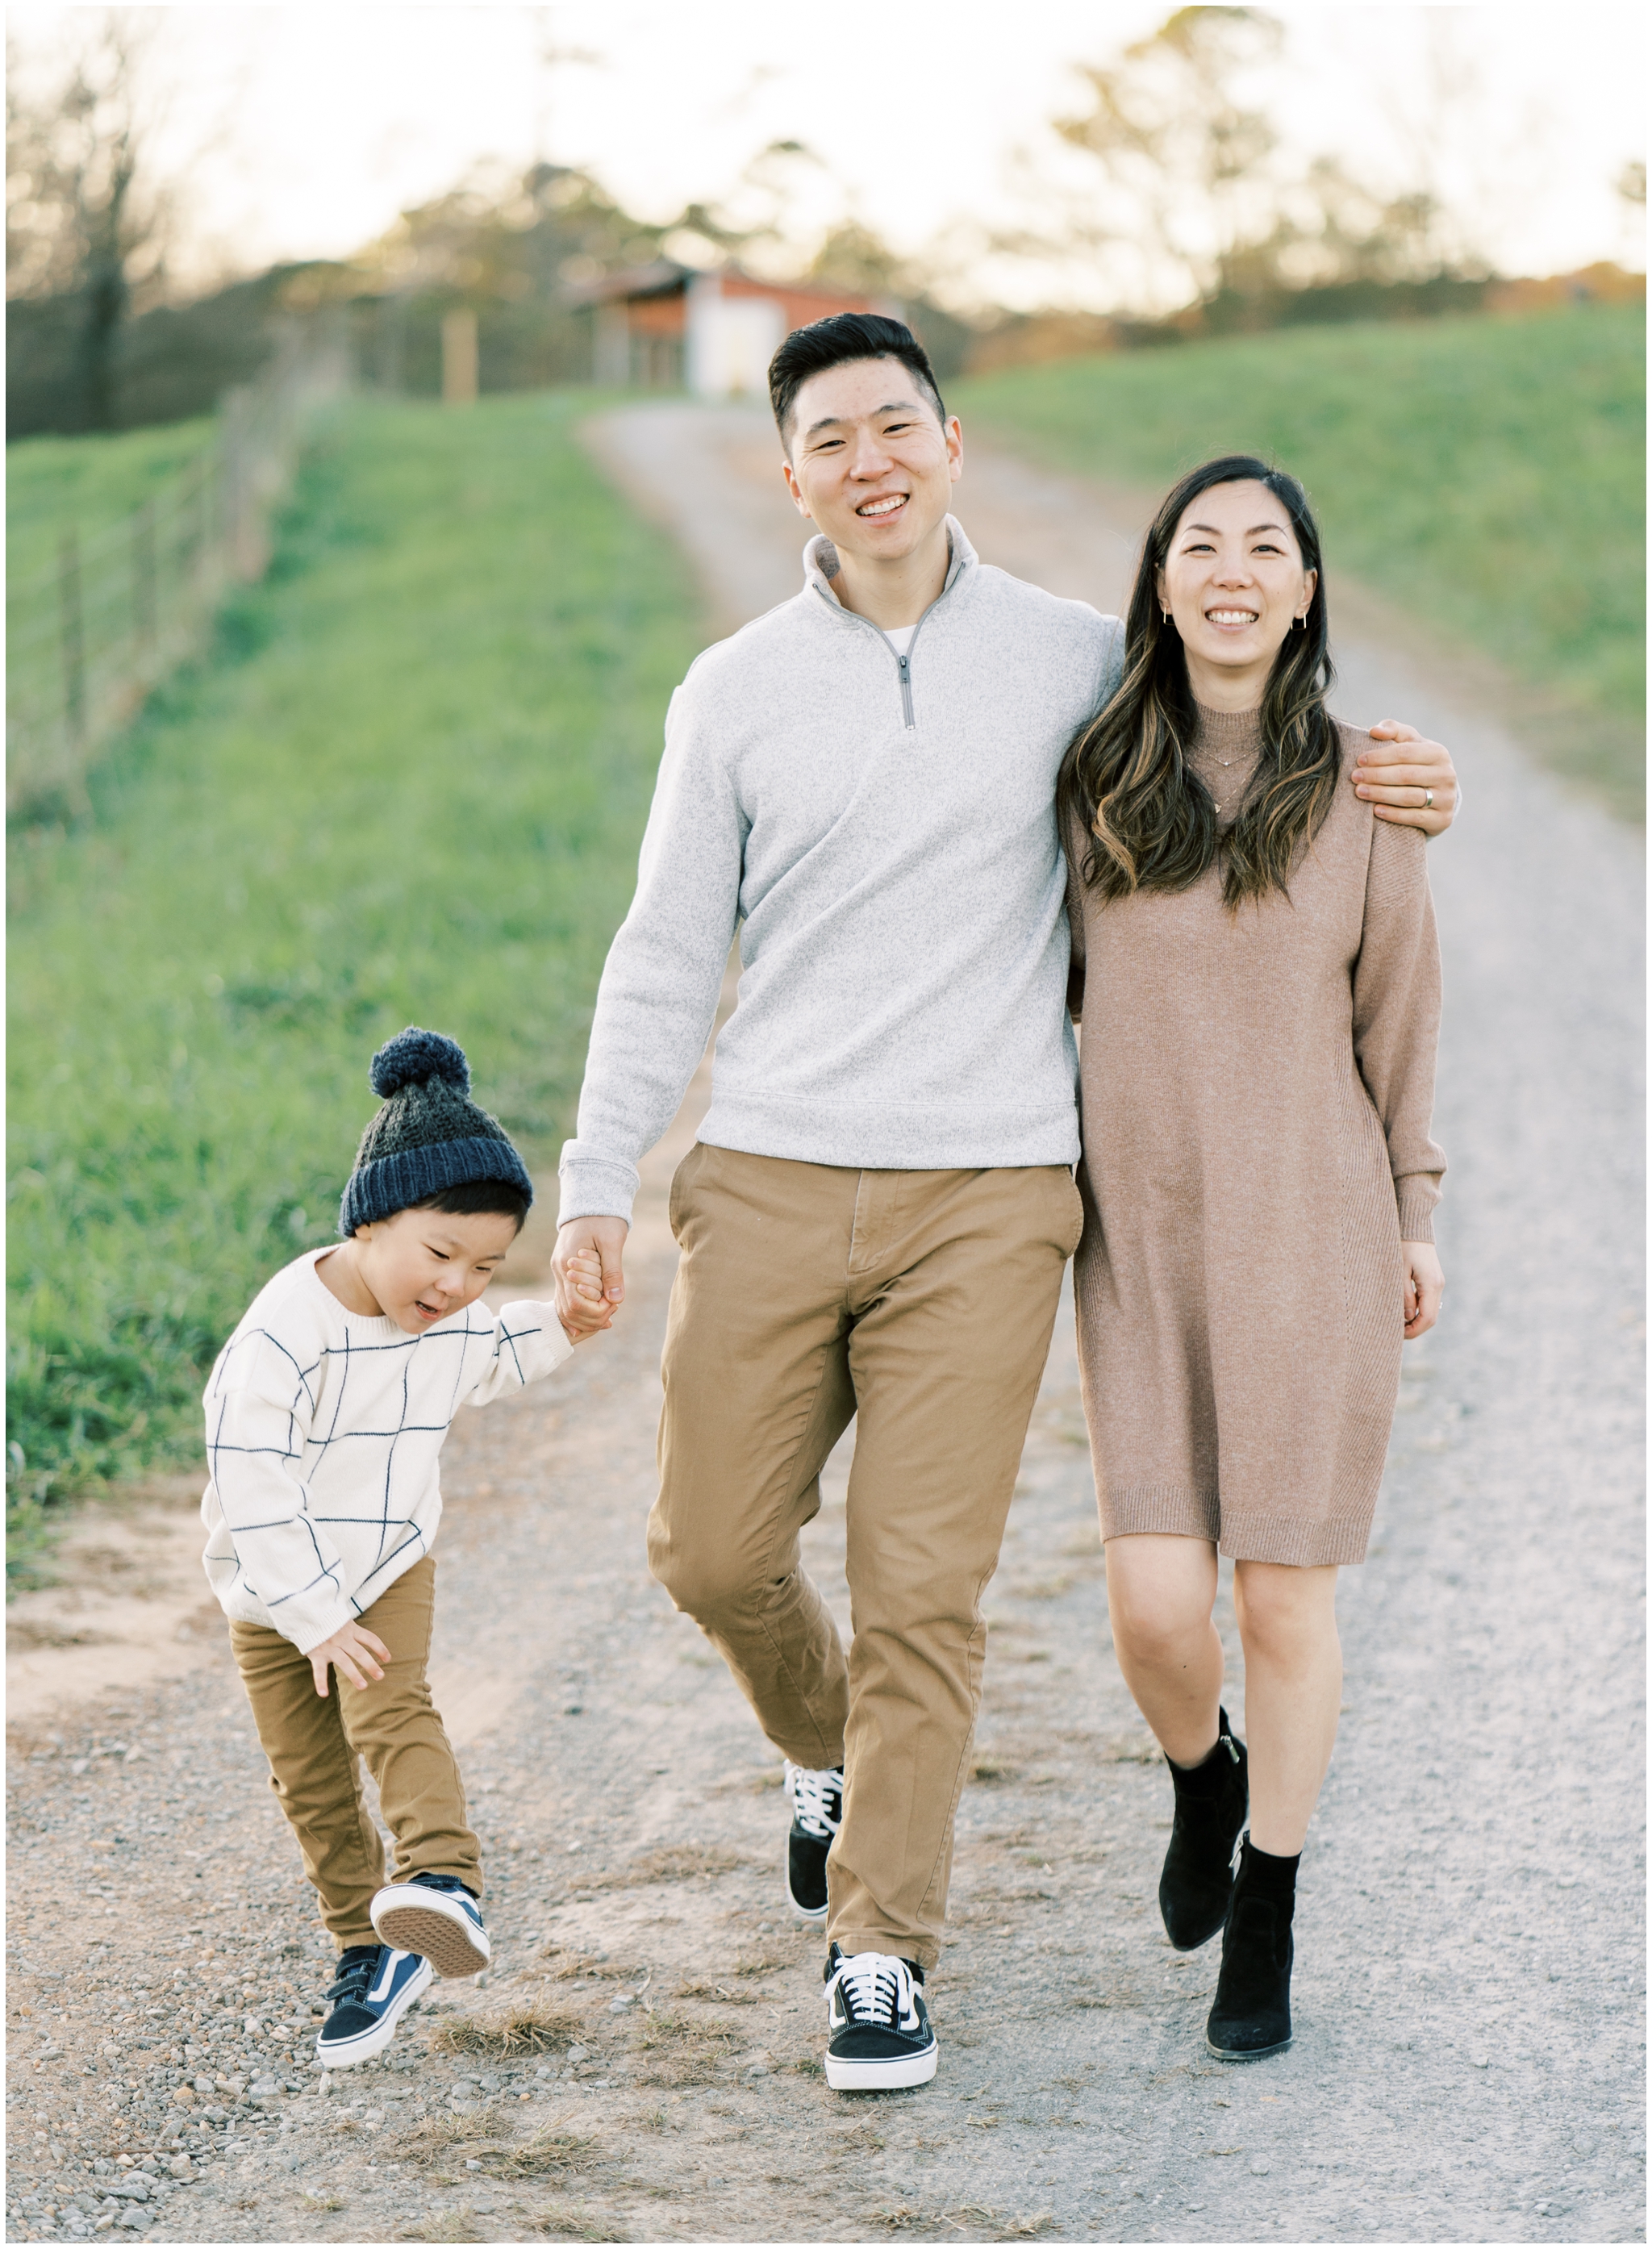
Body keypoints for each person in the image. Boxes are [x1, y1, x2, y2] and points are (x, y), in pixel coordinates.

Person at [550, 315, 1460, 2093]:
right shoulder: (731, 688)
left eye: (901, 423)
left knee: (924, 1587)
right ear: (791, 469)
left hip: (994, 1182)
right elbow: (663, 950)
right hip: (775, 1162)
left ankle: (880, 1948)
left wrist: (1408, 776)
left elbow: (1250, 718)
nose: (871, 457)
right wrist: (598, 1180)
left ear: (952, 444)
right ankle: (828, 1749)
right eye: (833, 434)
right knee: (712, 1550)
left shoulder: (1066, 662)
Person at [1060, 455, 1446, 2062]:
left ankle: (1267, 1904)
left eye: (1265, 546)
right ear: (1158, 584)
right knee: (1157, 1603)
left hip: (1313, 1232)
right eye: (1199, 544)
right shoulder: (1084, 777)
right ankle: (1199, 1772)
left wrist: (1417, 1207)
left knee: (1283, 1597)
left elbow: (1402, 1020)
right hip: (1136, 1241)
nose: (1232, 568)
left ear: (1302, 593)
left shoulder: (1371, 790)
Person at [201, 1028, 607, 2068]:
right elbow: (253, 1489)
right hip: (275, 1591)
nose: (459, 1286)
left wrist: (565, 1321)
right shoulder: (283, 1338)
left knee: (394, 1708)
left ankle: (440, 1882)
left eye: (485, 1265)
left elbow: (498, 1349)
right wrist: (313, 1616)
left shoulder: (445, 1321)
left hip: (386, 1564)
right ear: (371, 1221)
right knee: (311, 1777)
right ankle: (364, 1946)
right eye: (440, 1255)